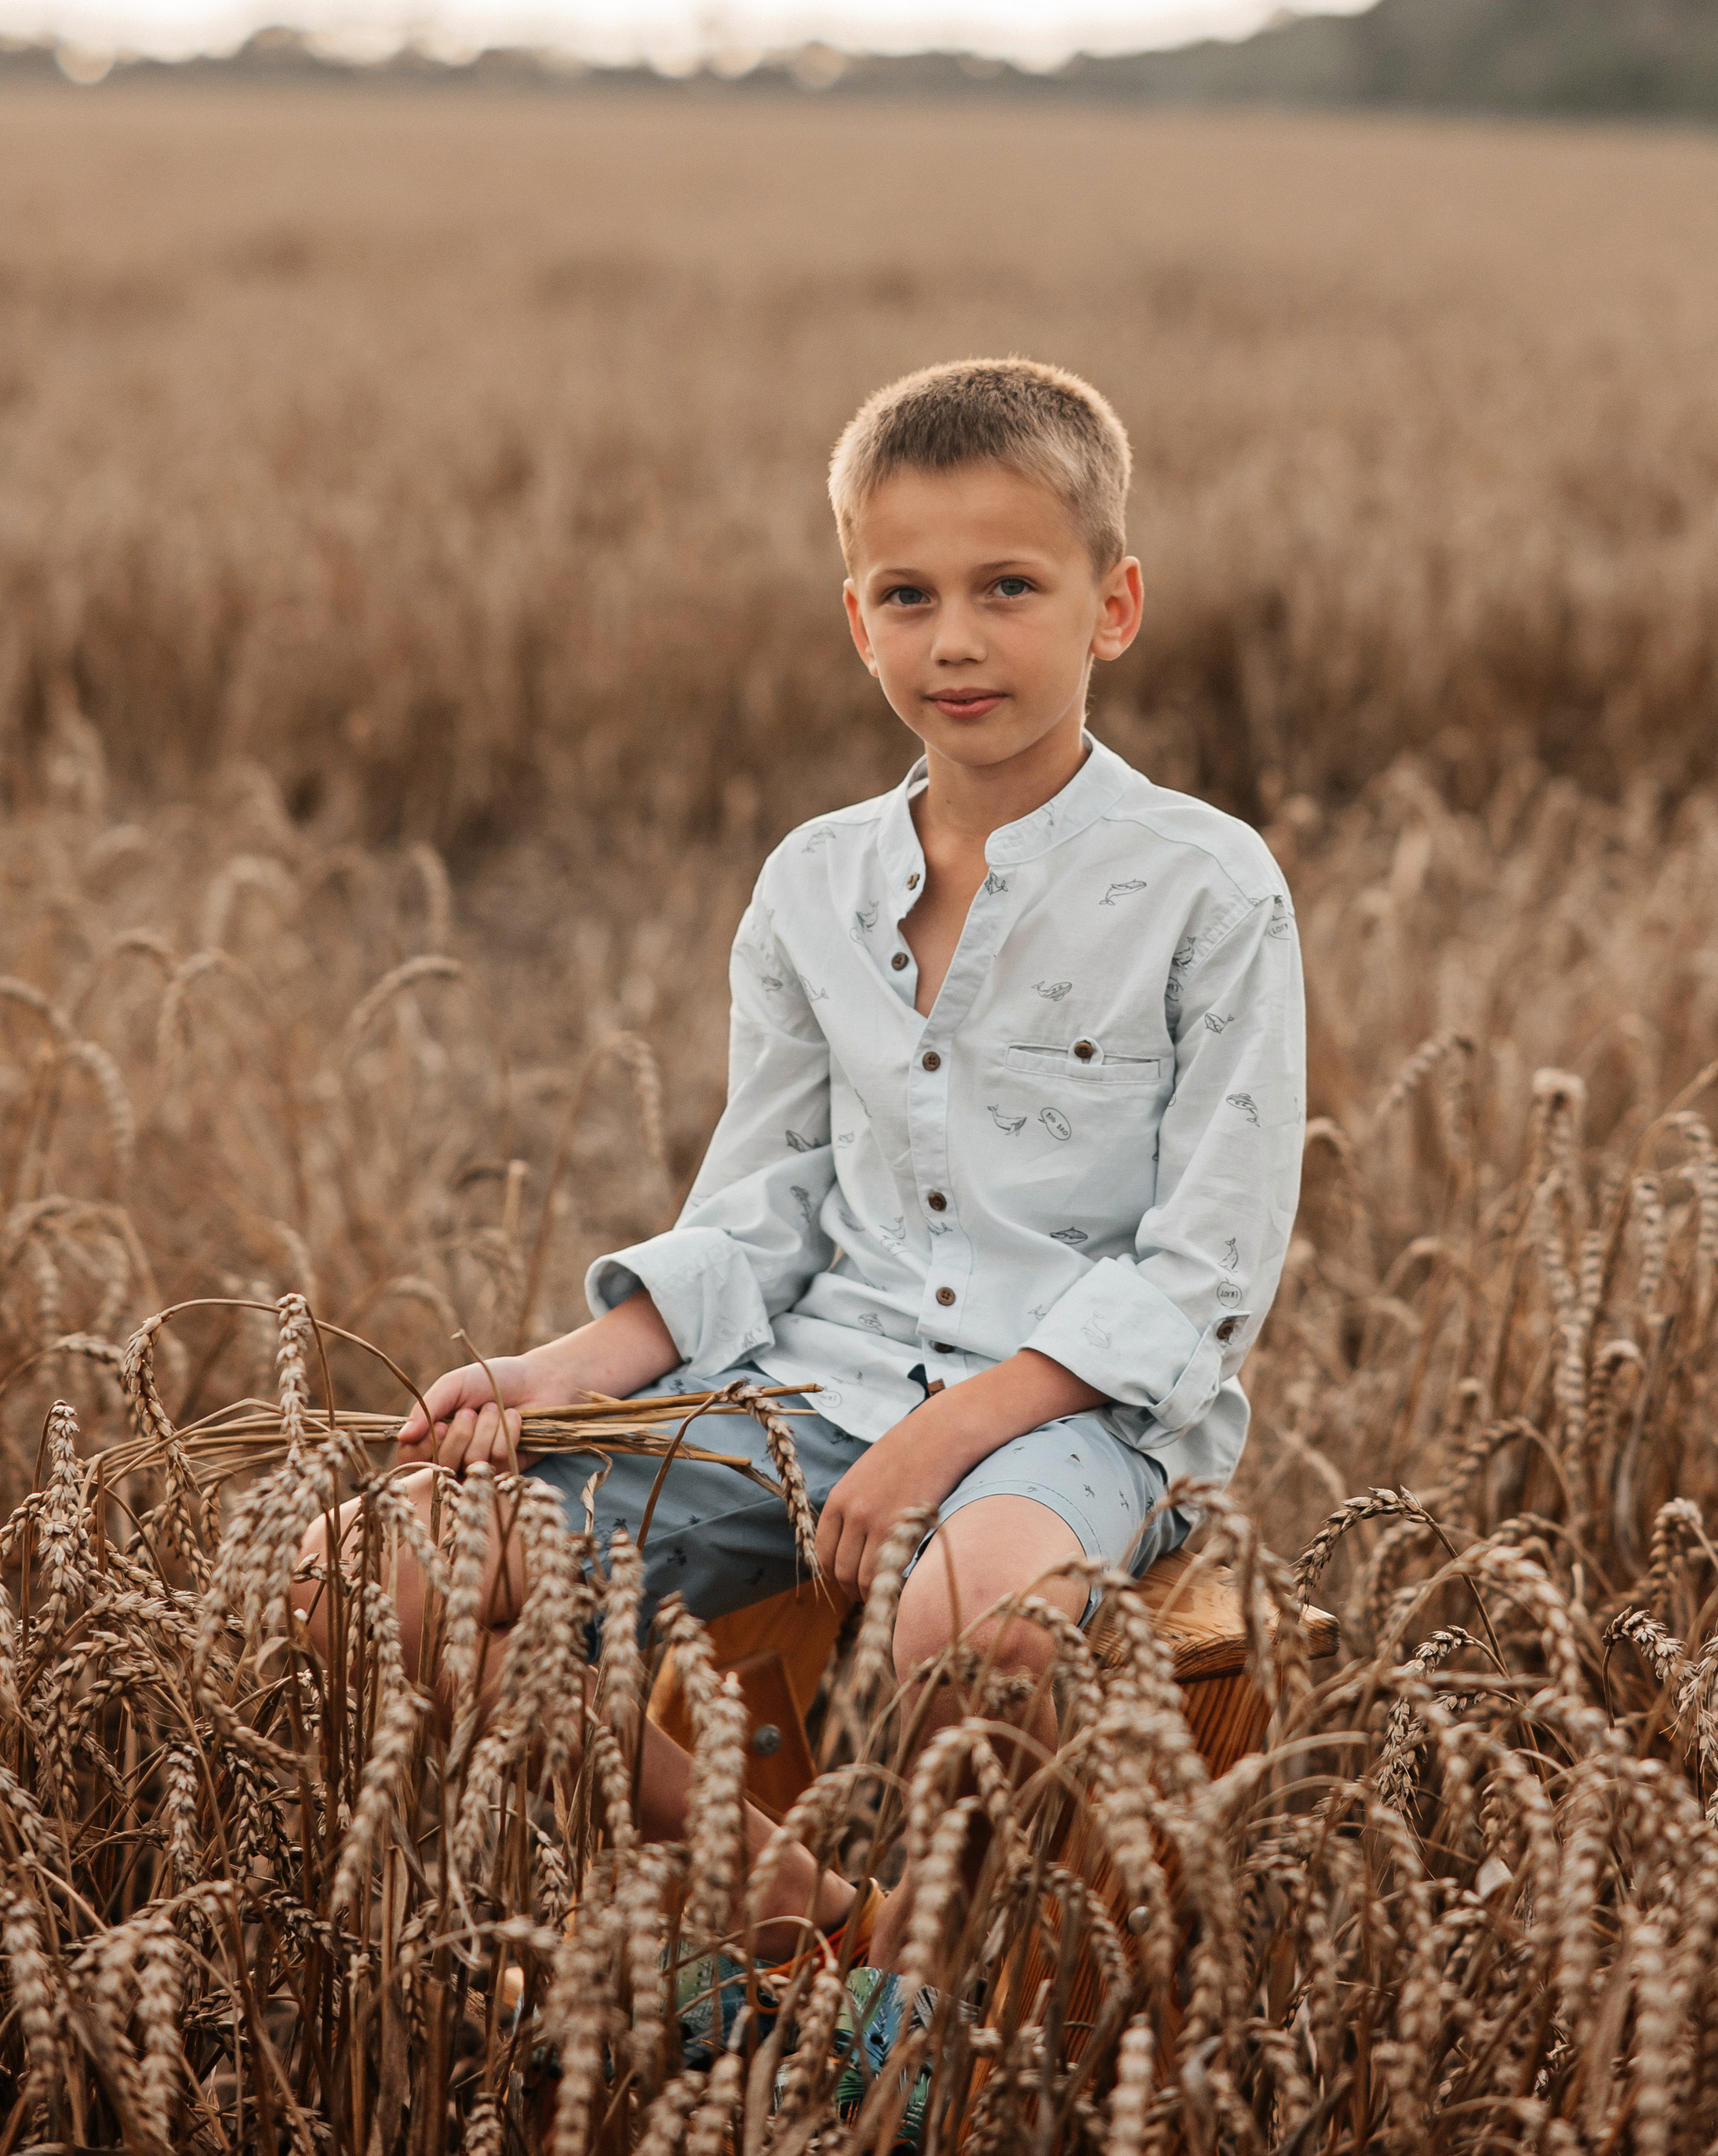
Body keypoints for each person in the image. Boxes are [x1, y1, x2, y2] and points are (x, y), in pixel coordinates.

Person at [342, 356, 1305, 1994]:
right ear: (854, 618)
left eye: (1011, 588)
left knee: (975, 1614)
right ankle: (801, 1927)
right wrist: (553, 1372)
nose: (955, 640)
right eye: (905, 593)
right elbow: (761, 1210)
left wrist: (943, 1436)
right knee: (390, 1569)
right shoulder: (809, 885)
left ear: (1112, 603)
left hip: (1075, 1418)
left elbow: (1199, 1277)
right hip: (808, 1385)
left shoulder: (1206, 888)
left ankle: (953, 2000)